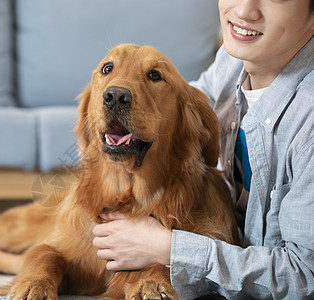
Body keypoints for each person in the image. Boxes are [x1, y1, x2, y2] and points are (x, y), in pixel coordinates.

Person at [92, 0, 314, 299]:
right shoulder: (235, 57)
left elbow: (305, 276)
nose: (244, 11)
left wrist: (168, 248)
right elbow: (180, 112)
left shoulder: (308, 124)